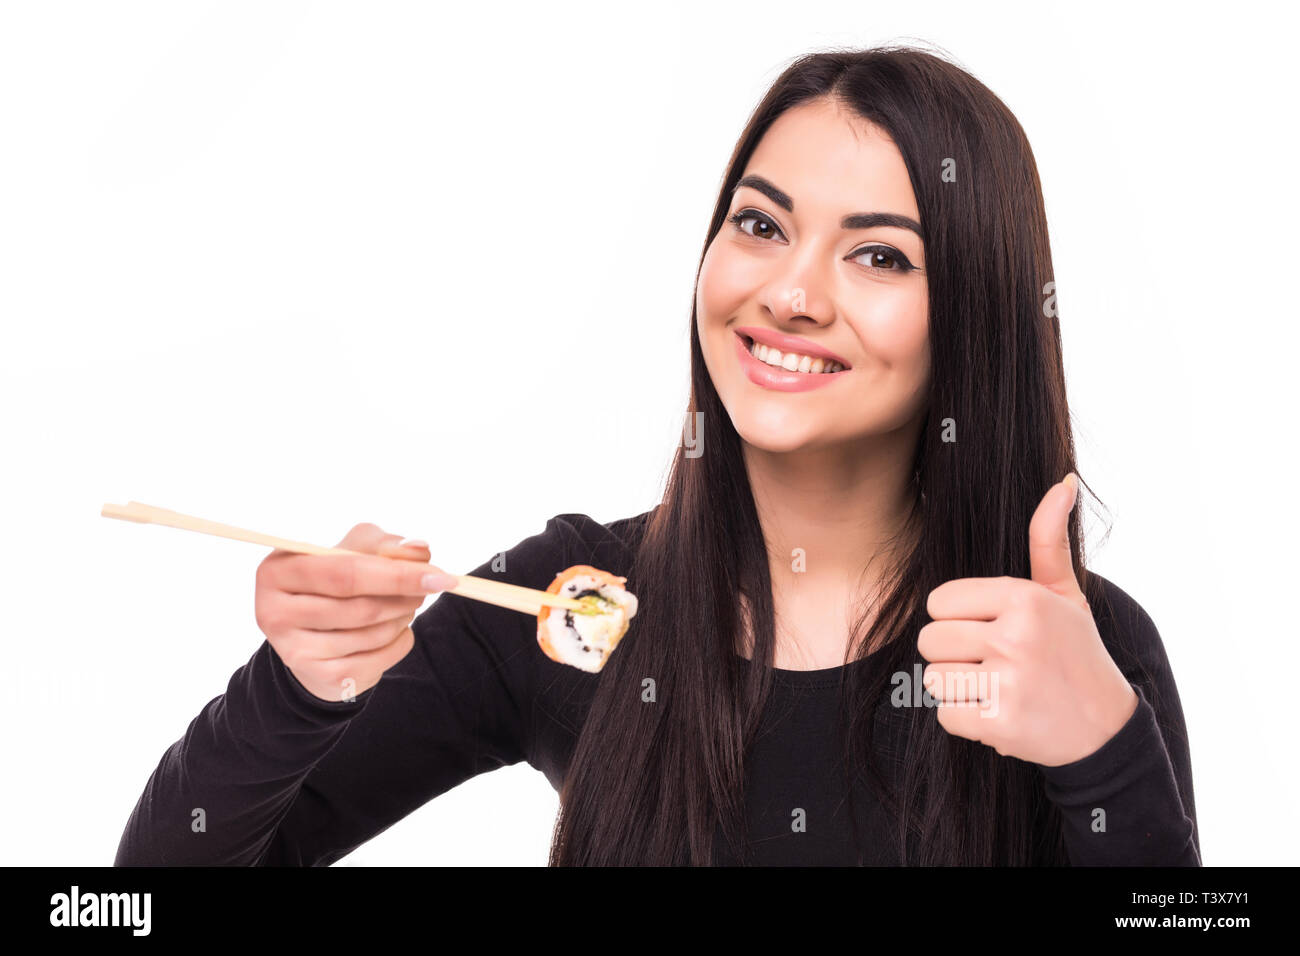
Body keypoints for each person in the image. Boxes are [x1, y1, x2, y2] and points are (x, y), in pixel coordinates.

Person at [114, 44, 1199, 867]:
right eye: (761, 226)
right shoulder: (565, 601)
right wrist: (301, 686)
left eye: (877, 254)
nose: (789, 293)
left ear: (977, 314)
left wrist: (1102, 746)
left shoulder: (1079, 651)